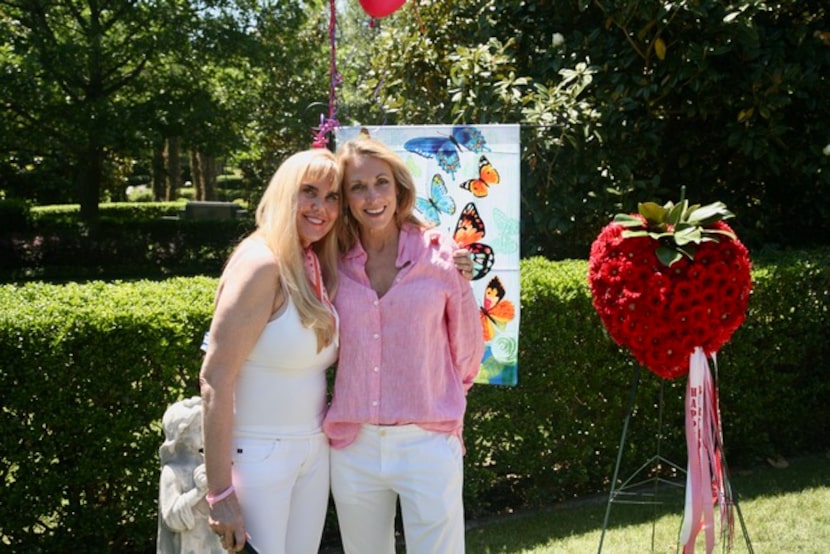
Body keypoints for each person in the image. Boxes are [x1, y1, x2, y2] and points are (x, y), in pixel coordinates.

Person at [324, 136, 485, 554]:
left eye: (381, 182)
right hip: (353, 445)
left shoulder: (443, 258)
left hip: (427, 439)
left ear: (399, 189)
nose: (372, 196)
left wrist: (434, 401)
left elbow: (467, 353)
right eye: (357, 187)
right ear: (344, 198)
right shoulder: (333, 263)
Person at [199, 148, 342, 554]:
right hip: (257, 458)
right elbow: (214, 378)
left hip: (313, 452)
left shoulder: (312, 262)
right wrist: (219, 492)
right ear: (283, 193)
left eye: (333, 197)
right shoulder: (262, 264)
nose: (321, 208)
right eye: (309, 192)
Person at [157, 396, 223, 554]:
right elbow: (171, 517)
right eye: (198, 428)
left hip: (213, 542)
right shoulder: (172, 471)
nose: (203, 432)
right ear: (181, 434)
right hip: (187, 546)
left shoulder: (207, 463)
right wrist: (198, 491)